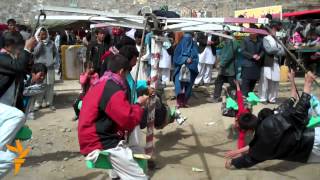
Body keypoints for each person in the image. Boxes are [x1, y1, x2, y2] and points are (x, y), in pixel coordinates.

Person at [225, 72, 320, 169]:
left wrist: (234, 162)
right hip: (313, 139)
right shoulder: (274, 119)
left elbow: (250, 158)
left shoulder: (259, 146)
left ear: (249, 131)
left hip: (307, 156)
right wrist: (307, 84)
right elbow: (300, 112)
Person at [78, 54, 149, 180]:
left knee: (120, 169)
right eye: (127, 73)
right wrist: (139, 104)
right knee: (138, 177)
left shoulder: (101, 83)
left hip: (92, 136)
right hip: (99, 140)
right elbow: (128, 120)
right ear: (122, 71)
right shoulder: (112, 89)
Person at [0, 37, 36, 178]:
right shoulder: (2, 58)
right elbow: (18, 67)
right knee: (17, 116)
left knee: (12, 157)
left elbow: (22, 69)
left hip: (6, 111)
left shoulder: (10, 60)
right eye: (18, 48)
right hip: (5, 111)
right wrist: (27, 48)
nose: (20, 52)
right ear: (8, 46)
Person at [258, 23, 285, 104]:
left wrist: (276, 49)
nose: (274, 31)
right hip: (267, 62)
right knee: (265, 81)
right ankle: (263, 98)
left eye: (275, 30)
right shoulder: (266, 38)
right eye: (273, 29)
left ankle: (272, 98)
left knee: (274, 82)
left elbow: (283, 52)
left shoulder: (279, 39)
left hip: (276, 63)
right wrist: (278, 48)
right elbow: (268, 50)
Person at [207, 31, 237, 103]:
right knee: (218, 81)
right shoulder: (227, 42)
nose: (221, 36)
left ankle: (235, 97)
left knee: (232, 84)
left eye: (223, 34)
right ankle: (216, 97)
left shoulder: (232, 43)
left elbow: (229, 56)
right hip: (225, 68)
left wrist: (221, 64)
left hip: (229, 68)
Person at [33, 27, 58, 111]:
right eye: (41, 34)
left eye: (45, 34)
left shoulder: (51, 43)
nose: (43, 36)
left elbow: (55, 53)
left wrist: (53, 62)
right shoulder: (35, 42)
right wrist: (40, 43)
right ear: (38, 34)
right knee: (40, 85)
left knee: (50, 86)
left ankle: (49, 103)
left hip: (50, 68)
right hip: (40, 68)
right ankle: (38, 103)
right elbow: (35, 53)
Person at [173, 33, 199, 108]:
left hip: (190, 70)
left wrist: (191, 61)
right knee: (179, 85)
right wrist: (184, 59)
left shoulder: (194, 47)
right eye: (185, 39)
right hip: (179, 69)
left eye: (189, 39)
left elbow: (196, 59)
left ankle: (185, 102)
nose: (187, 41)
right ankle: (178, 102)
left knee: (188, 86)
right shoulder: (179, 47)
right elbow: (175, 58)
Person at [240, 24, 265, 96]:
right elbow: (242, 51)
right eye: (252, 32)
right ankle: (243, 97)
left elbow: (263, 50)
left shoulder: (260, 41)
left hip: (256, 65)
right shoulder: (245, 40)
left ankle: (249, 96)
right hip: (247, 65)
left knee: (253, 82)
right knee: (245, 83)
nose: (253, 34)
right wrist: (252, 56)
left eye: (255, 32)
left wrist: (260, 56)